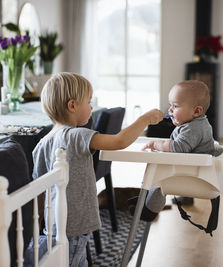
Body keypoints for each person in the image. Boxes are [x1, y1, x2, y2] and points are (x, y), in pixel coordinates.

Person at [32, 72, 164, 267]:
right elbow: (119, 141)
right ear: (72, 106)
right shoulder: (76, 136)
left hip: (54, 226)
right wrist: (144, 119)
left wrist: (38, 225)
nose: (91, 107)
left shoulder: (42, 143)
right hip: (75, 225)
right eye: (88, 101)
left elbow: (39, 191)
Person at [130, 80, 220, 222]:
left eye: (175, 106)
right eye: (170, 105)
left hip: (196, 177)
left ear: (196, 111)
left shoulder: (193, 128)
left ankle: (149, 210)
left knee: (158, 178)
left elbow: (178, 147)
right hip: (194, 170)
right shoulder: (194, 124)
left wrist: (157, 144)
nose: (170, 110)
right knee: (156, 170)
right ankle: (145, 199)